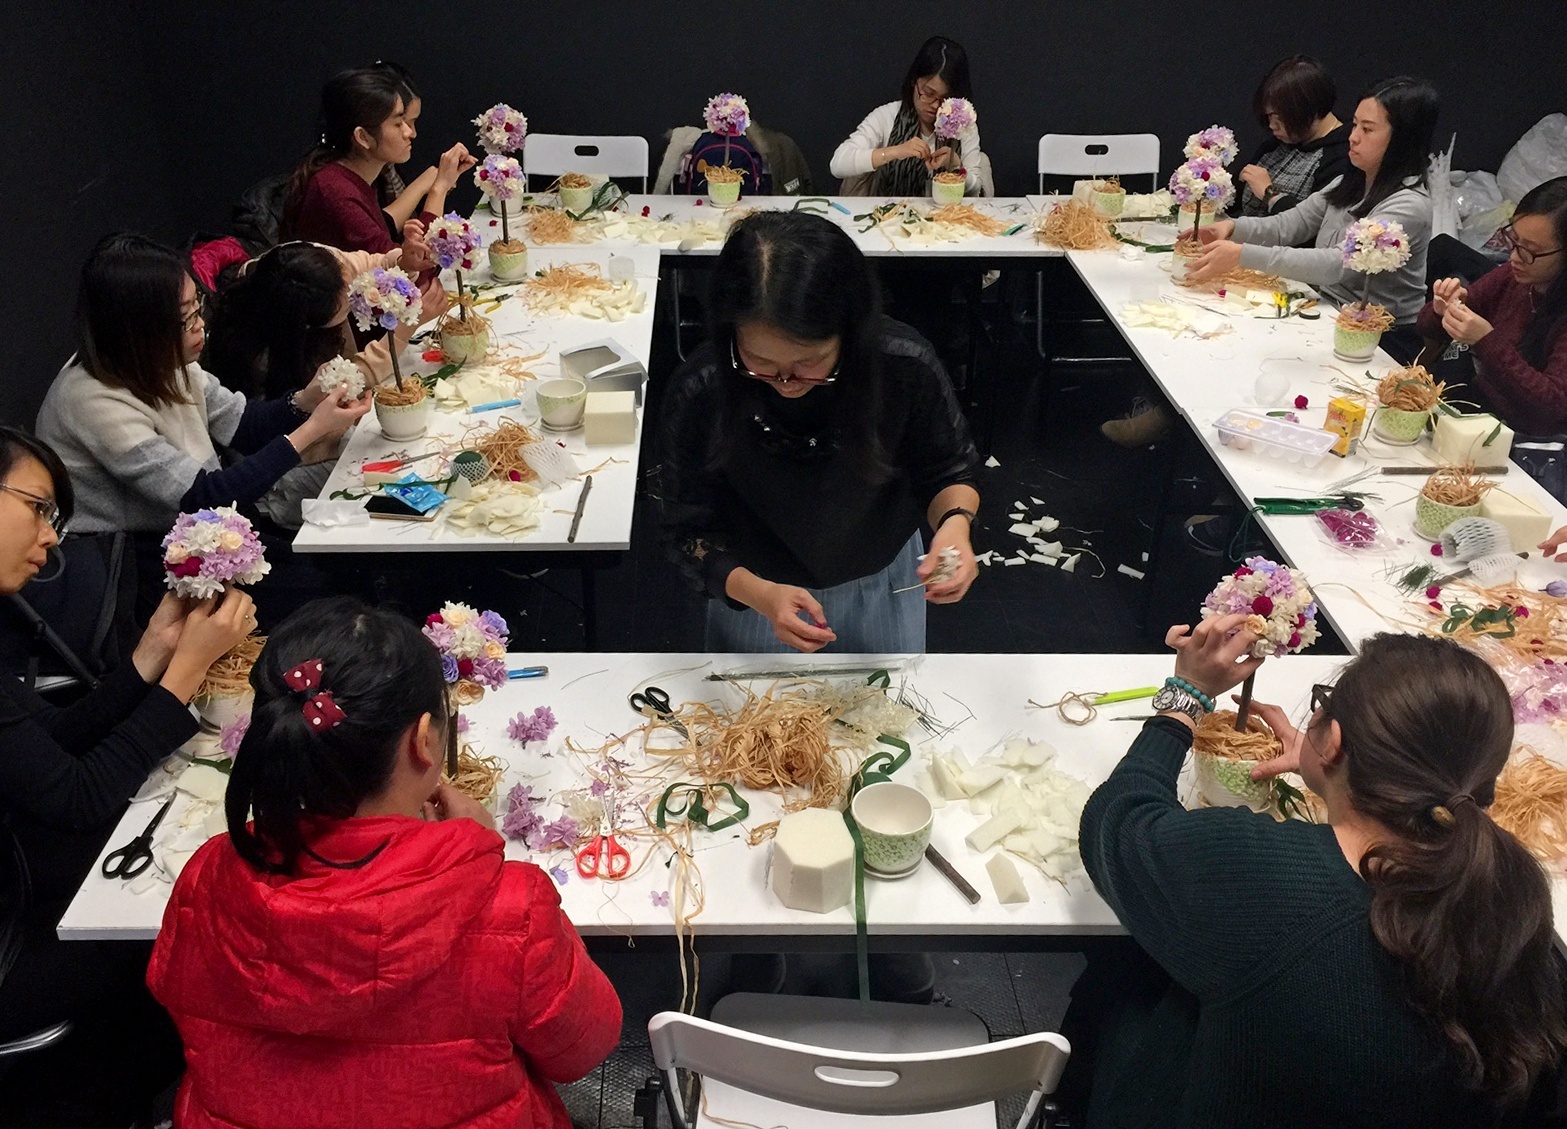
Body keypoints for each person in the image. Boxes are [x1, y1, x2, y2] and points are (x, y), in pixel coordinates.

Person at [1063, 617, 1566, 1127]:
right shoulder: (1513, 900)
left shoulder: (1267, 877)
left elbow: (1118, 819)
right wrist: (1333, 781)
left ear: (1333, 740)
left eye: (1323, 705)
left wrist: (1186, 697)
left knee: (1120, 972)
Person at [148, 597, 622, 1129]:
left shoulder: (208, 875)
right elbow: (585, 1048)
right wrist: (479, 857)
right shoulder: (511, 910)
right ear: (423, 741)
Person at [0, 426, 256, 1127]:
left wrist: (151, 655)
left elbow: (50, 748)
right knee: (197, 940)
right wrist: (186, 672)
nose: (51, 539)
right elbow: (79, 795)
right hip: (14, 941)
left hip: (24, 876)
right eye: (38, 508)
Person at [659, 211, 980, 654]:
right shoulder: (704, 386)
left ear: (849, 331)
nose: (786, 382)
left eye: (809, 362)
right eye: (760, 362)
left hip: (883, 579)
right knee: (755, 700)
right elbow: (686, 530)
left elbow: (949, 470)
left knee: (890, 696)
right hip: (756, 594)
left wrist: (955, 527)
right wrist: (761, 595)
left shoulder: (902, 366)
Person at [35, 233, 370, 617]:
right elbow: (203, 496)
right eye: (186, 318)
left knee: (347, 570)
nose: (201, 326)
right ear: (139, 328)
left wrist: (305, 401)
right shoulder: (93, 401)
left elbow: (244, 424)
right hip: (146, 565)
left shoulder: (159, 360)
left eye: (198, 307)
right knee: (329, 598)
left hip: (209, 532)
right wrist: (312, 430)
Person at [1189, 76, 1439, 363]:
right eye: (1355, 125)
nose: (1353, 136)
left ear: (1402, 139)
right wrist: (1233, 227)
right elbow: (1289, 225)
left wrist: (1242, 255)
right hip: (1327, 312)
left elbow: (1335, 265)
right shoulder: (1351, 181)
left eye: (1367, 129)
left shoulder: (1409, 205)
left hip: (1379, 338)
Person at [1417, 177, 1567, 434]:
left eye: (1530, 250)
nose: (1514, 256)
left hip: (1516, 436)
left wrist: (1485, 340)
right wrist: (1442, 310)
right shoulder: (1513, 276)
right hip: (1468, 408)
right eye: (1514, 240)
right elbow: (1428, 328)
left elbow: (1550, 409)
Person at [282, 67, 474, 267]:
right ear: (363, 137)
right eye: (398, 123)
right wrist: (439, 188)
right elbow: (412, 271)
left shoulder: (349, 176)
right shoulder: (336, 191)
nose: (410, 133)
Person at [831, 36, 986, 197]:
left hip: (947, 213)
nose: (935, 105)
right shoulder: (887, 116)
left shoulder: (962, 124)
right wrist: (894, 152)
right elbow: (838, 164)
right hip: (892, 212)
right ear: (914, 82)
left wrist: (956, 167)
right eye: (928, 93)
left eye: (945, 99)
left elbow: (976, 190)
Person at [1238, 55, 1351, 218]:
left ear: (1310, 110)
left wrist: (1270, 194)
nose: (1272, 126)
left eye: (1279, 118)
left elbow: (1318, 223)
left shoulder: (1342, 157)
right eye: (1269, 116)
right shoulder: (1275, 145)